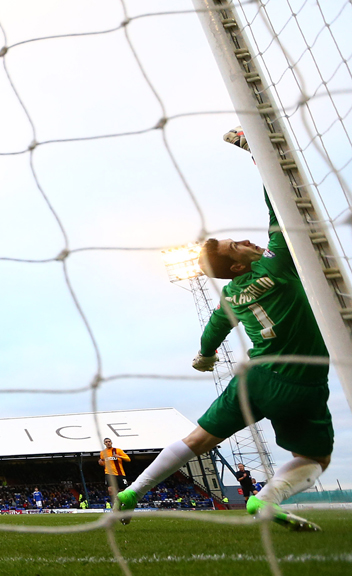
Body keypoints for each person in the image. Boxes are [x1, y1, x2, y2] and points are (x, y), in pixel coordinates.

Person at [117, 127, 331, 532]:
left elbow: (212, 332)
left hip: (255, 378)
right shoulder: (279, 263)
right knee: (316, 459)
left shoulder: (230, 295)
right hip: (301, 380)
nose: (248, 242)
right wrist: (255, 152)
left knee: (198, 439)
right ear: (236, 266)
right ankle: (266, 499)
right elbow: (278, 203)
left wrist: (205, 357)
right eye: (238, 246)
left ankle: (132, 492)